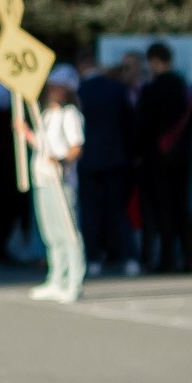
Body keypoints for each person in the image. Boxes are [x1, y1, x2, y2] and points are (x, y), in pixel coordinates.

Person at [133, 42, 192, 274]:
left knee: (161, 209)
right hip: (182, 158)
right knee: (181, 208)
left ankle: (167, 258)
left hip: (157, 158)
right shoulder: (185, 88)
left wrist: (138, 154)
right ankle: (191, 257)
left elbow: (143, 125)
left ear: (153, 61)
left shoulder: (152, 89)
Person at [76, 54, 138, 274]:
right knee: (118, 210)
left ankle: (93, 258)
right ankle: (129, 256)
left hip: (88, 160)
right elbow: (129, 125)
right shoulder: (117, 89)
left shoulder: (80, 91)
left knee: (91, 210)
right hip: (115, 159)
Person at [30, 66, 86, 300]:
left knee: (68, 232)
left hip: (61, 181)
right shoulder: (46, 114)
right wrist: (25, 133)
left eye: (58, 87)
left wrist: (62, 161)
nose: (53, 90)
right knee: (51, 233)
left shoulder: (70, 114)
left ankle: (74, 280)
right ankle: (56, 277)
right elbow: (42, 145)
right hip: (42, 178)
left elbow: (76, 147)